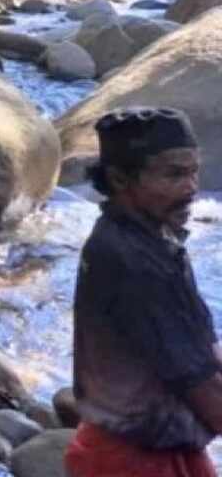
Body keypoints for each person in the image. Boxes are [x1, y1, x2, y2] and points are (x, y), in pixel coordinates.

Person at [65, 107, 222, 477]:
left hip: (143, 444)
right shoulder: (134, 263)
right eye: (174, 174)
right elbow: (199, 382)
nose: (191, 188)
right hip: (134, 462)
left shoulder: (145, 238)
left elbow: (199, 348)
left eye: (193, 171)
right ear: (120, 178)